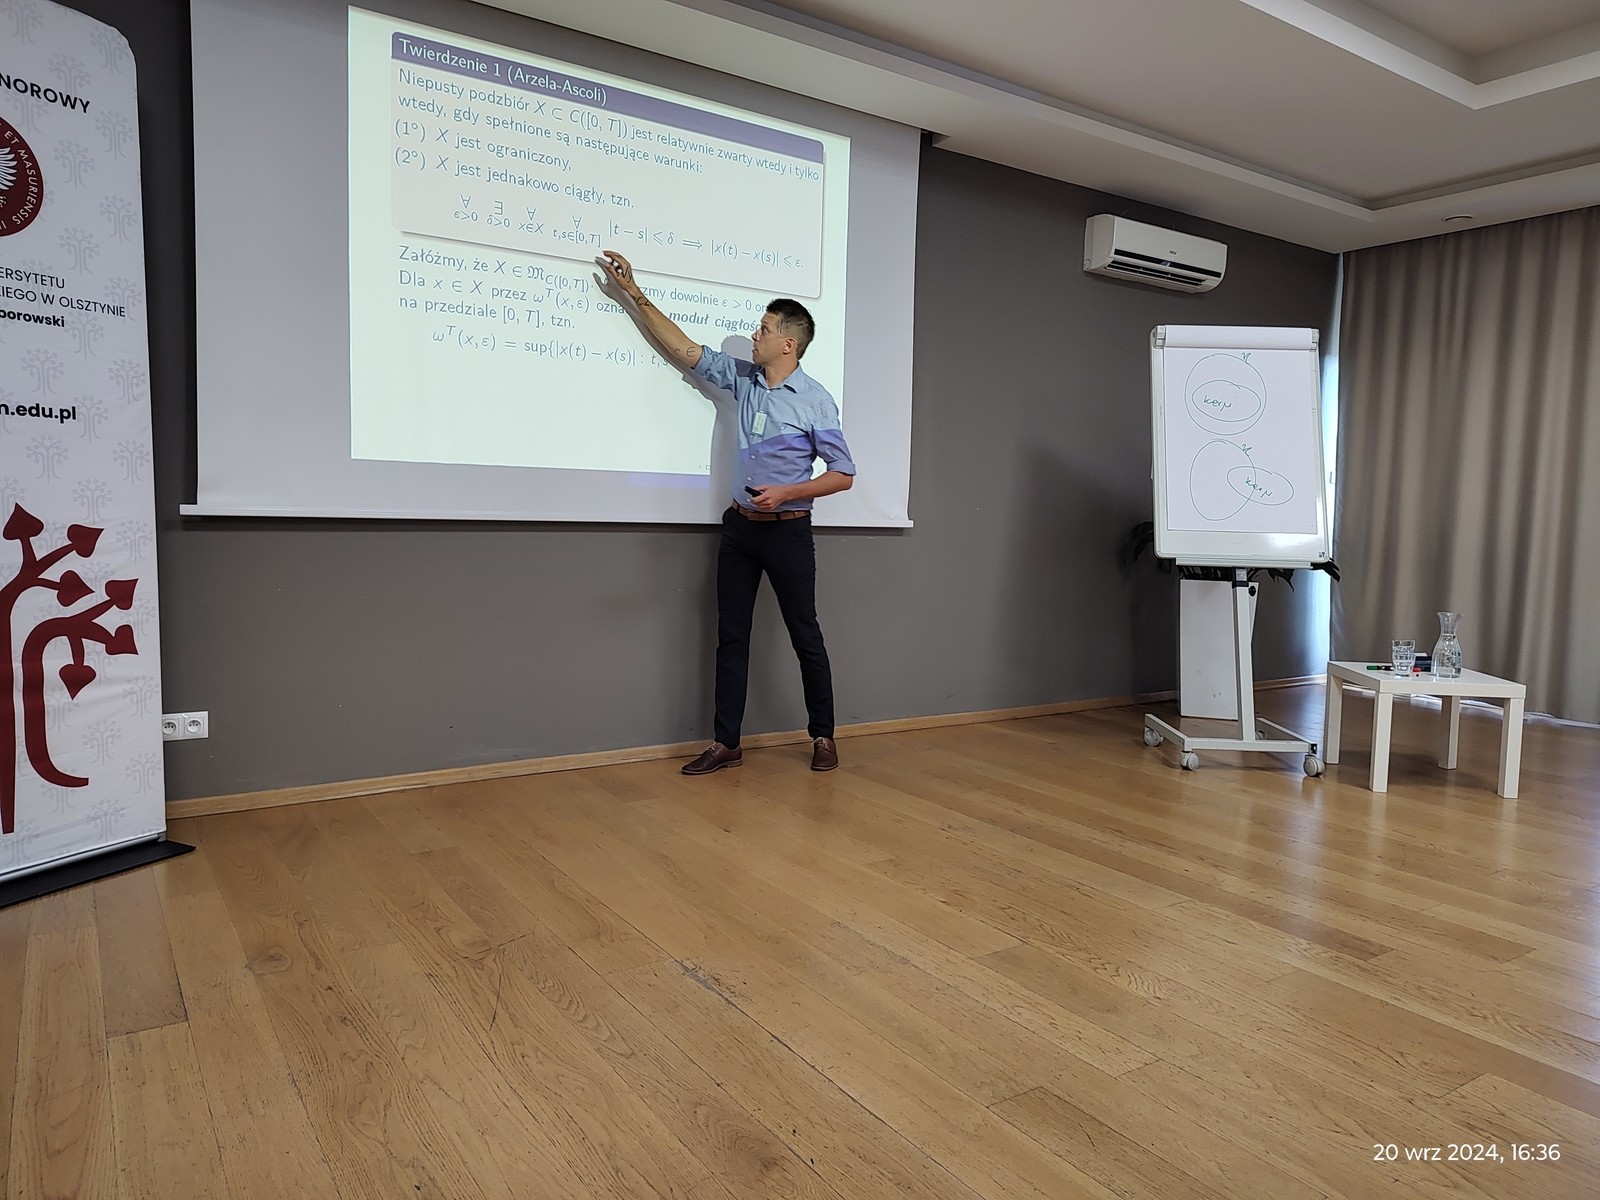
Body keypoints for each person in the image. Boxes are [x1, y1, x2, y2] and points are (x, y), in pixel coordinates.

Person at [598, 250, 855, 774]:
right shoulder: (744, 379)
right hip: (740, 529)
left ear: (789, 343)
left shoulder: (815, 401)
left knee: (805, 635)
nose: (754, 336)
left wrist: (787, 493)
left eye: (763, 329)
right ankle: (727, 743)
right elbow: (684, 349)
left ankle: (823, 735)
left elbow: (843, 473)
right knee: (731, 636)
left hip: (788, 533)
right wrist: (633, 292)